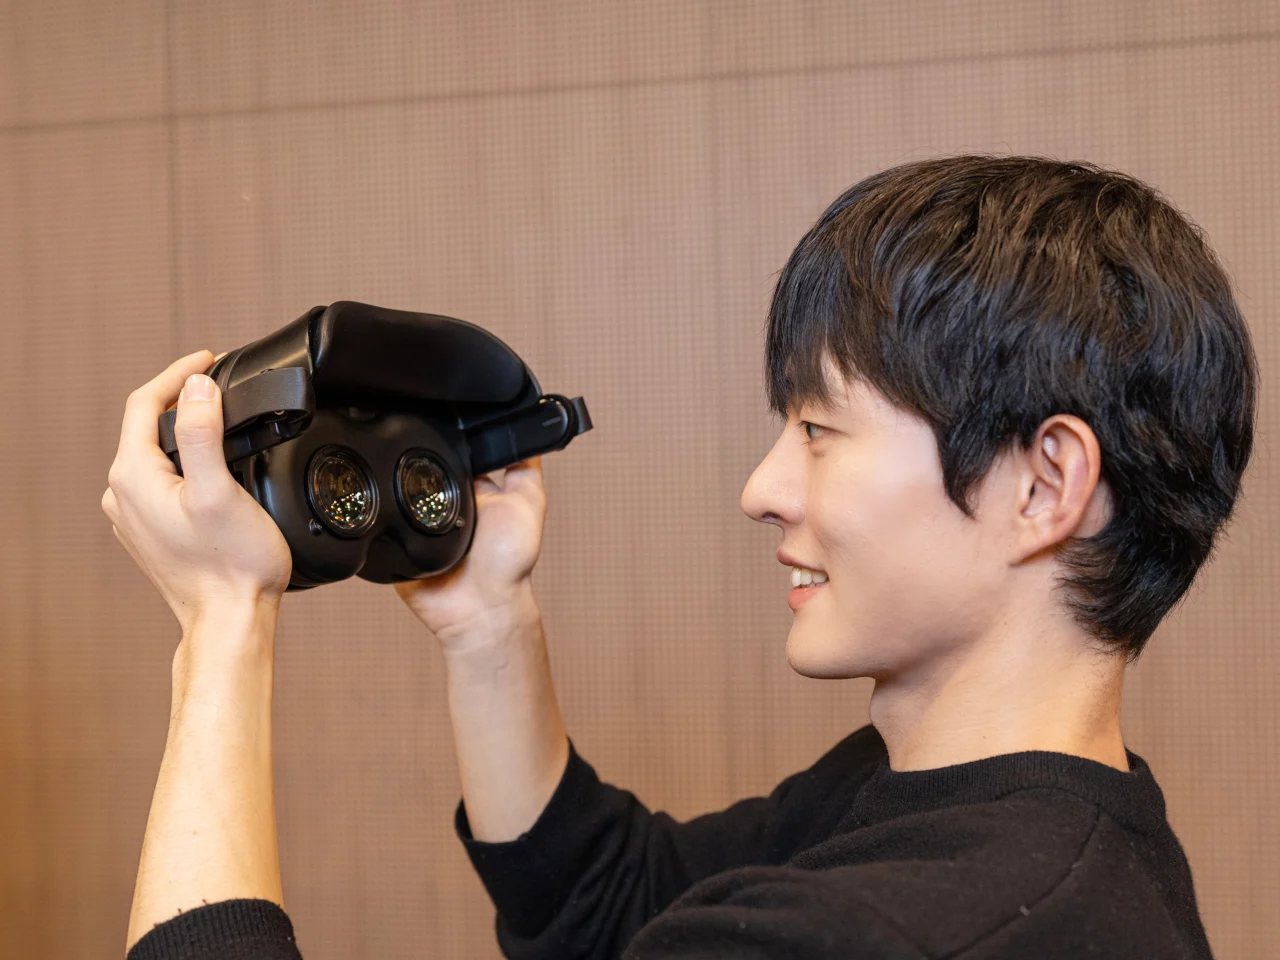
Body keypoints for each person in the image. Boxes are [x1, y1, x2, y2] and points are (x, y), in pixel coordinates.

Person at [110, 156, 1257, 960]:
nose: (762, 490)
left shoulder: (888, 930)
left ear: (1042, 485)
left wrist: (222, 623)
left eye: (817, 430)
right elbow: (609, 910)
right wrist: (485, 619)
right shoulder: (1000, 822)